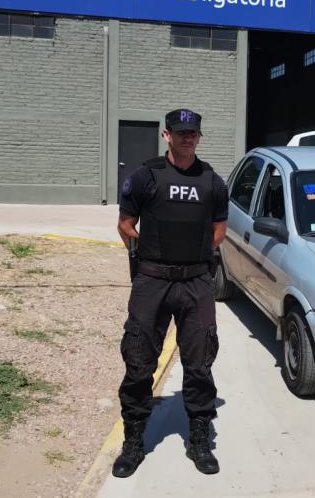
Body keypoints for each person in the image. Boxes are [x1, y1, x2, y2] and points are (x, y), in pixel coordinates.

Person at [112, 108, 228, 478]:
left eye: (193, 133)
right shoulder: (145, 176)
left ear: (199, 136)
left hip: (196, 283)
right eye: (180, 133)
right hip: (153, 280)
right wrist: (149, 250)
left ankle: (198, 438)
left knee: (199, 363)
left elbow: (219, 228)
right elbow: (125, 225)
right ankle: (133, 440)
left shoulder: (212, 181)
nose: (187, 138)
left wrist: (192, 253)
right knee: (139, 362)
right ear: (166, 135)